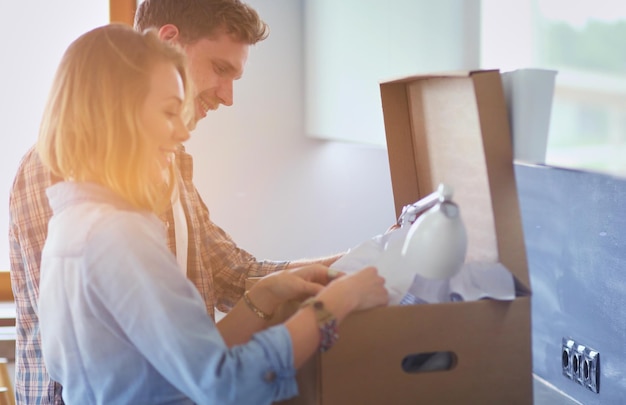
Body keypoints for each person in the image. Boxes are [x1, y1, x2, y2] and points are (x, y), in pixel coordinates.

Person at [9, 1, 345, 403]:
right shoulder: (68, 177)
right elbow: (98, 358)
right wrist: (332, 308)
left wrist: (352, 263)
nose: (228, 96)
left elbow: (229, 273)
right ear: (167, 40)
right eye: (221, 69)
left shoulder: (157, 171)